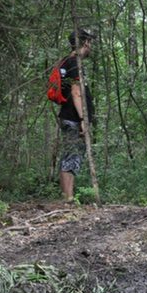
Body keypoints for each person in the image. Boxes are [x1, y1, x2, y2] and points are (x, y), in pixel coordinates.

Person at [55, 29, 96, 202]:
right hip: (73, 118)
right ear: (85, 43)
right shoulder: (73, 63)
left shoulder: (67, 61)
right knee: (71, 156)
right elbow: (76, 92)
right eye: (90, 42)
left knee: (71, 156)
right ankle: (68, 199)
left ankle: (68, 198)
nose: (91, 46)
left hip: (69, 117)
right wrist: (82, 119)